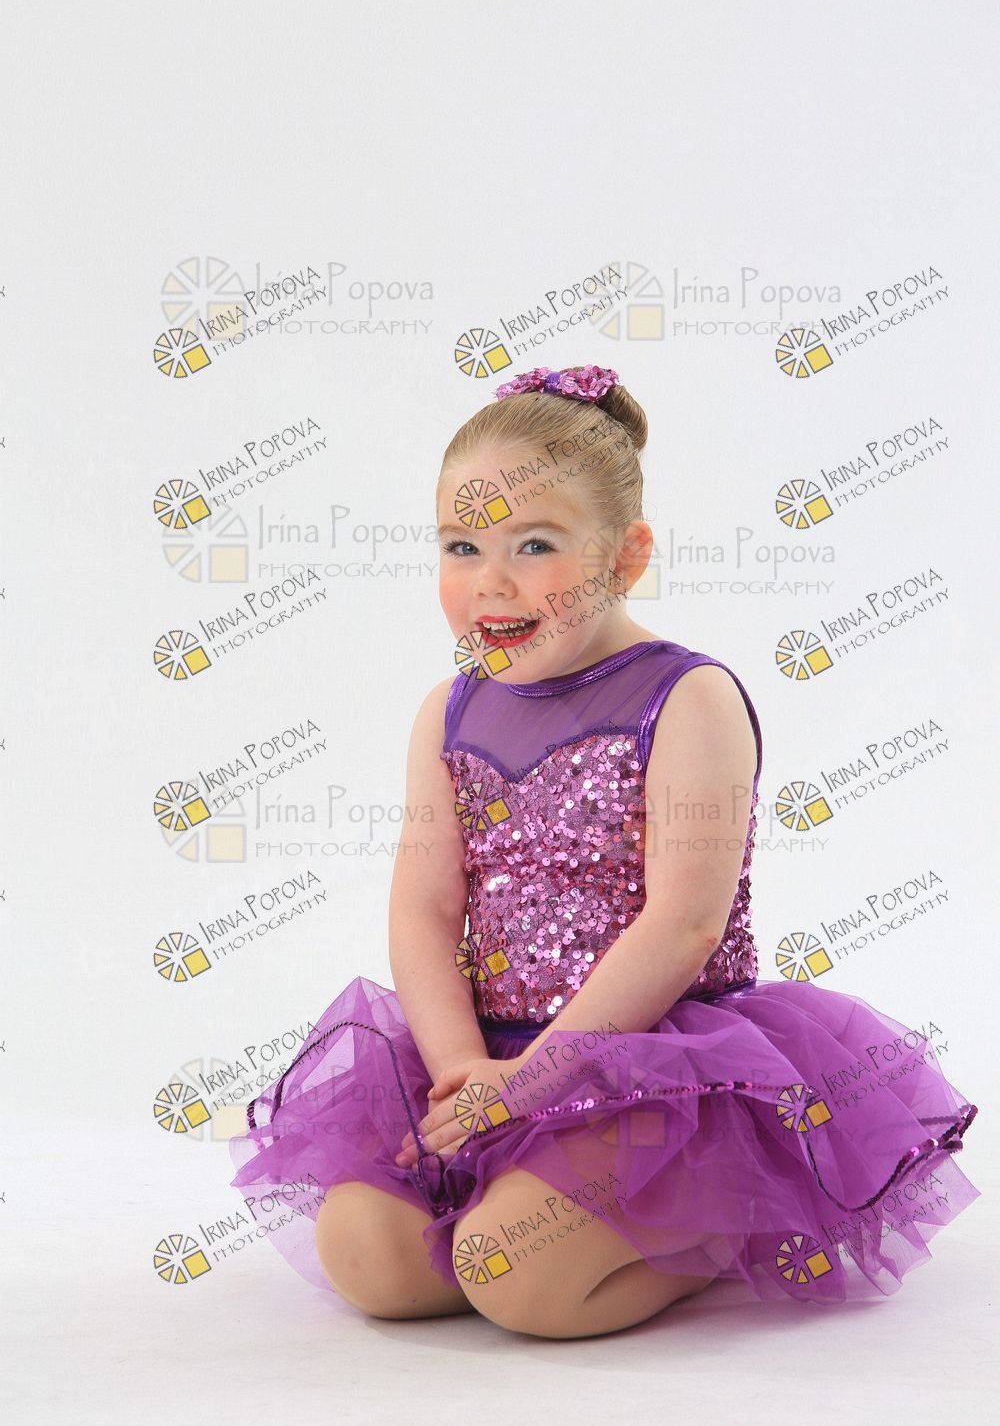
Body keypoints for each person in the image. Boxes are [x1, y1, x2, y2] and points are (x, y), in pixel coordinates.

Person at [229, 363, 979, 1338]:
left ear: (626, 557)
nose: (491, 581)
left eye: (535, 545)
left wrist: (537, 1084)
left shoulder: (686, 698)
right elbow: (423, 909)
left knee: (515, 1280)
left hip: (646, 1067)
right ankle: (521, 1207)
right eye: (462, 546)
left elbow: (683, 925)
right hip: (490, 1049)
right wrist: (466, 1077)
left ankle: (715, 1224)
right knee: (367, 1256)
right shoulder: (449, 710)